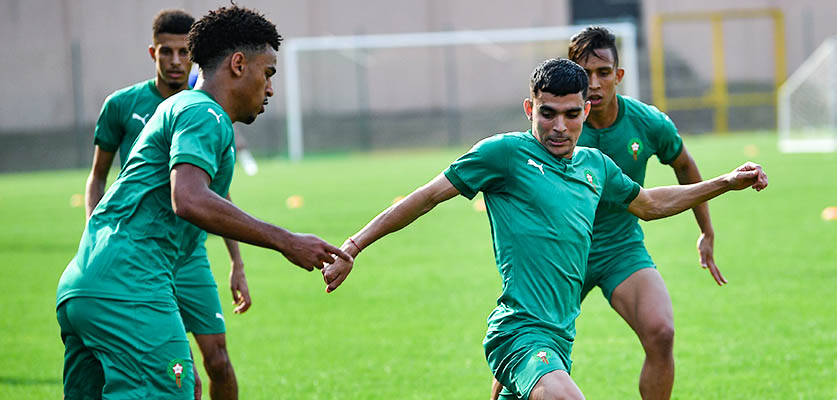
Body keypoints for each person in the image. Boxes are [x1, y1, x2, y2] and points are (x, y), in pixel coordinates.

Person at [322, 58, 767, 400]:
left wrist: (726, 182)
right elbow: (425, 197)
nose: (559, 127)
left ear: (586, 108)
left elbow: (649, 204)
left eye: (571, 115)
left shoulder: (596, 166)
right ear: (529, 108)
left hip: (559, 336)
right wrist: (355, 245)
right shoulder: (503, 154)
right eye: (547, 113)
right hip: (518, 332)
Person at [57, 6, 352, 399]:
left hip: (85, 285)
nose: (270, 89)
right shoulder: (204, 114)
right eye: (267, 74)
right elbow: (190, 199)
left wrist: (238, 261)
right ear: (238, 64)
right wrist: (286, 240)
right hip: (131, 288)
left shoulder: (176, 106)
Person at [490, 26, 727, 400]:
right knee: (525, 345)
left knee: (661, 332)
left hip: (620, 248)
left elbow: (683, 165)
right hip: (562, 255)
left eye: (604, 73)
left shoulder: (647, 123)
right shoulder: (558, 124)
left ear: (619, 74)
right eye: (585, 74)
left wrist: (706, 229)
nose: (596, 84)